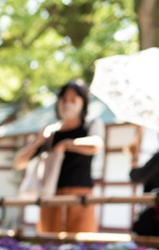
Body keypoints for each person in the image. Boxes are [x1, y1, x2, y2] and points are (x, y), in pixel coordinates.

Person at [13, 80, 104, 234]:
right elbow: (19, 162)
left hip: (81, 195)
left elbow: (96, 145)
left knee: (81, 242)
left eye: (73, 99)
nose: (67, 103)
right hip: (51, 195)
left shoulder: (90, 125)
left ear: (83, 102)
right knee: (49, 240)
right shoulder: (50, 132)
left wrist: (66, 144)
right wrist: (38, 141)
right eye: (64, 99)